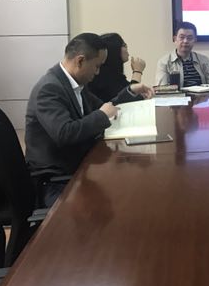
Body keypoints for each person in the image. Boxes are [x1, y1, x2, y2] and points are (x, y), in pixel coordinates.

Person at [25, 33, 154, 199]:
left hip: (78, 163)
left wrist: (130, 91)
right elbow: (64, 133)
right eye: (97, 66)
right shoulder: (49, 88)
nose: (98, 72)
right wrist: (102, 115)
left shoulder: (76, 84)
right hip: (55, 179)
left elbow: (105, 106)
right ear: (80, 61)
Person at [155, 21, 209, 87]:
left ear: (195, 40)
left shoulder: (203, 60)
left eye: (189, 38)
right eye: (182, 37)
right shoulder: (164, 62)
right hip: (177, 94)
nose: (185, 41)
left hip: (202, 93)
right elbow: (162, 88)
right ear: (175, 39)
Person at [88, 32, 146, 102]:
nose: (127, 47)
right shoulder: (106, 79)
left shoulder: (114, 74)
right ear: (114, 49)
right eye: (124, 45)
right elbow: (130, 99)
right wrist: (137, 72)